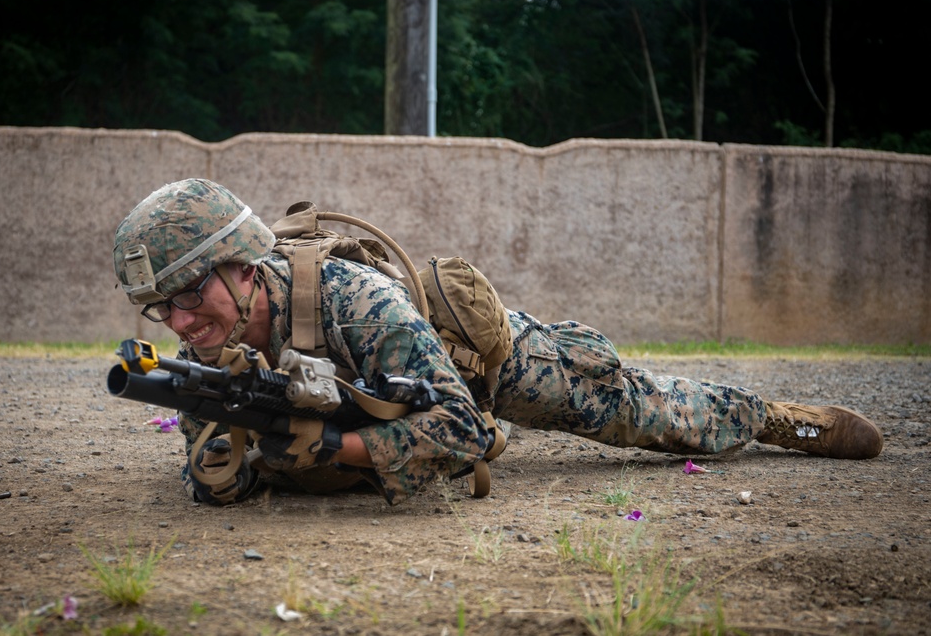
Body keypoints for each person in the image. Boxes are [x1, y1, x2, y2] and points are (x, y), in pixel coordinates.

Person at [112, 179, 883, 506]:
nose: (180, 323)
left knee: (645, 411)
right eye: (161, 309)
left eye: (191, 295)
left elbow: (466, 430)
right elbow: (230, 476)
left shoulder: (351, 299)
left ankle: (773, 417)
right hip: (385, 403)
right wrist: (224, 465)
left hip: (483, 367)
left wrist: (334, 449)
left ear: (244, 267)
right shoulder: (211, 356)